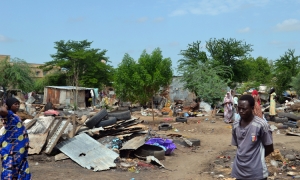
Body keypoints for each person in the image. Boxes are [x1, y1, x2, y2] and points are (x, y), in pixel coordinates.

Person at [231, 95, 274, 180]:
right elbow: (239, 146)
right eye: (239, 108)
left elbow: (269, 147)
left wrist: (255, 159)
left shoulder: (261, 125)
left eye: (244, 109)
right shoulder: (235, 125)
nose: (241, 111)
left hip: (256, 172)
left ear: (252, 108)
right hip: (239, 171)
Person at [0, 97, 31, 179]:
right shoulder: (8, 114)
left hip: (19, 148)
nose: (17, 106)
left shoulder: (14, 115)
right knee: (10, 165)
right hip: (12, 148)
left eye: (18, 104)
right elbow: (2, 110)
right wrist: (5, 105)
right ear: (9, 105)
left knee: (18, 165)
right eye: (15, 104)